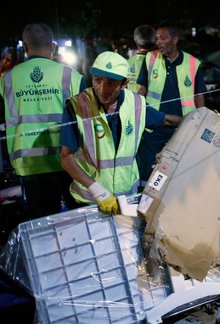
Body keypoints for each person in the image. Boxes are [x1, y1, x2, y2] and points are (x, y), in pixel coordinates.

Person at [60, 51, 182, 214]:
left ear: (124, 83)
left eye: (111, 83)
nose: (102, 89)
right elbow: (66, 157)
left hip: (127, 198)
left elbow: (166, 120)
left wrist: (200, 118)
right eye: (97, 80)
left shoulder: (136, 103)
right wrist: (98, 191)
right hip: (89, 201)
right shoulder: (77, 106)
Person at [0, 23, 86, 218]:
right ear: (53, 46)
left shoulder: (7, 79)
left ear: (26, 47)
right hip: (67, 160)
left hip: (28, 162)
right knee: (76, 219)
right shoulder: (71, 76)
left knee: (43, 223)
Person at [135, 20, 206, 184]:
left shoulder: (193, 63)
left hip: (183, 129)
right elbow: (142, 90)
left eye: (162, 38)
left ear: (175, 39)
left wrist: (203, 122)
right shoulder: (150, 59)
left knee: (179, 176)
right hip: (154, 129)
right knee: (149, 176)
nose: (158, 42)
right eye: (156, 38)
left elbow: (199, 96)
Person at [127, 25, 156, 93]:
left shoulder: (128, 63)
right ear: (155, 41)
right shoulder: (161, 62)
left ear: (135, 42)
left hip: (132, 102)